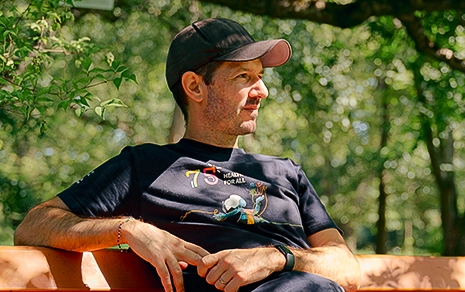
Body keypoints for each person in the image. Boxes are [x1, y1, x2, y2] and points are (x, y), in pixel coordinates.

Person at [14, 18, 361, 292]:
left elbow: (345, 268)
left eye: (261, 77)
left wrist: (276, 258)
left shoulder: (286, 173)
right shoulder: (146, 167)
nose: (262, 91)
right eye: (244, 76)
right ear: (195, 86)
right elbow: (35, 224)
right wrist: (129, 230)